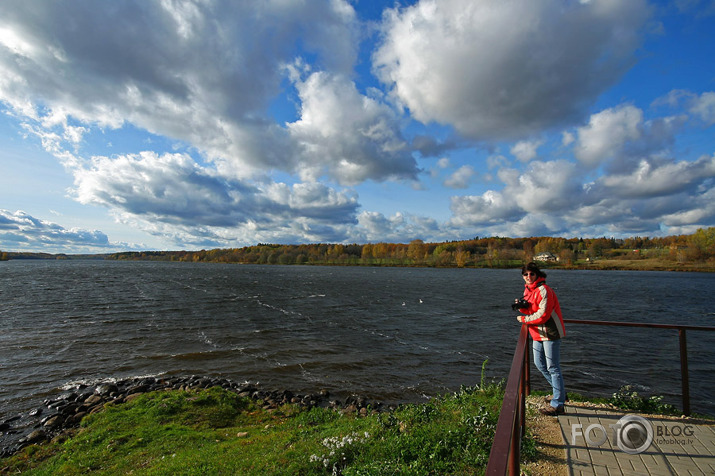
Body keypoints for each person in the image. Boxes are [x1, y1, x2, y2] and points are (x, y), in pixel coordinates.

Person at [516, 262, 567, 416]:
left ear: (537, 275)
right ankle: (560, 394)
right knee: (539, 364)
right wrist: (521, 306)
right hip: (537, 333)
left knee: (553, 367)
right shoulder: (528, 290)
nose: (529, 277)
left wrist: (524, 319)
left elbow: (543, 314)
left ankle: (558, 403)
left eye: (532, 274)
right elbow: (531, 309)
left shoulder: (544, 290)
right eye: (526, 274)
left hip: (550, 332)